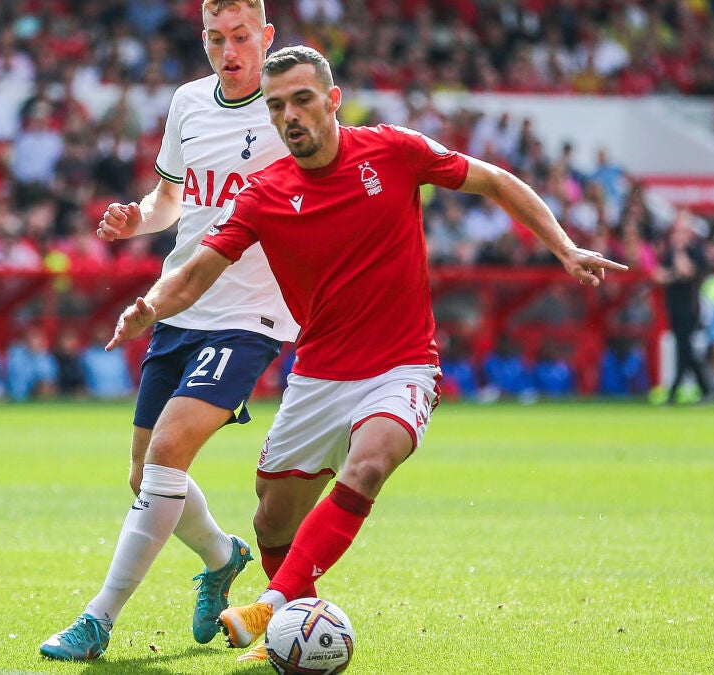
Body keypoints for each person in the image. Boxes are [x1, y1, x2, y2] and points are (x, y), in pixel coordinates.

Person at [104, 45, 626, 660]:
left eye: (302, 99)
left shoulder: (392, 150)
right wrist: (149, 306)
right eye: (277, 106)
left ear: (333, 100)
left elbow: (493, 179)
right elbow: (194, 273)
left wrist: (564, 247)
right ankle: (294, 627)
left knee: (370, 464)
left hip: (402, 366)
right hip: (318, 376)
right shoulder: (263, 194)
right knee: (272, 519)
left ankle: (271, 608)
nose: (290, 115)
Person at [37, 0, 301, 662]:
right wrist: (138, 218)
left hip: (249, 316)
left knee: (166, 453)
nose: (228, 51)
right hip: (178, 304)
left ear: (266, 36)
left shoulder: (287, 109)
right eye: (215, 38)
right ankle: (221, 556)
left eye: (241, 37)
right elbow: (170, 201)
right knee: (143, 474)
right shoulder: (188, 102)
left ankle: (98, 619)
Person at [655, 213, 714, 404]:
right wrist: (672, 273)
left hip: (690, 308)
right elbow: (659, 275)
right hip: (674, 306)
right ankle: (706, 389)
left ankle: (674, 392)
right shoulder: (669, 253)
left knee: (684, 350)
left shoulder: (695, 252)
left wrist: (679, 254)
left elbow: (686, 271)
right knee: (685, 351)